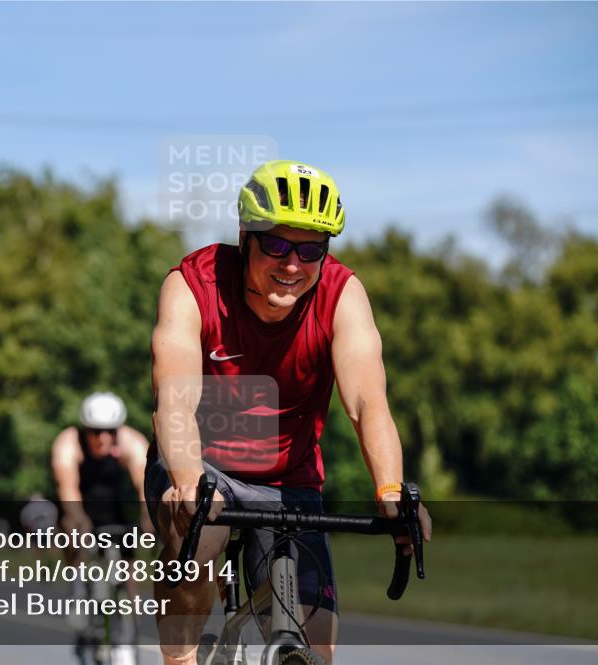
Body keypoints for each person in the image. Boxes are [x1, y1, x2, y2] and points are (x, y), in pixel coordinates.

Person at [147, 160, 433, 665]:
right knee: (195, 548)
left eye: (310, 250)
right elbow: (175, 400)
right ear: (245, 238)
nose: (293, 264)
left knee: (316, 650)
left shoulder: (343, 295)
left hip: (289, 477)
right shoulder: (193, 284)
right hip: (202, 465)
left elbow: (367, 403)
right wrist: (188, 481)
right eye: (277, 245)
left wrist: (391, 491)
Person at [51, 391, 153, 665]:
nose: (103, 438)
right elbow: (67, 488)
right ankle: (77, 585)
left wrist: (148, 516)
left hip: (116, 511)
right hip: (80, 507)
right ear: (85, 429)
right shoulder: (68, 442)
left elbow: (144, 485)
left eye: (110, 431)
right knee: (72, 527)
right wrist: (79, 519)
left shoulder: (132, 442)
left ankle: (127, 631)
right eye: (96, 432)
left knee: (128, 567)